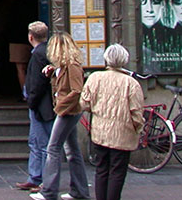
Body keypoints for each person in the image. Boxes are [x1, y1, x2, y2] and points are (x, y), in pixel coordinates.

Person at [29, 31, 90, 200]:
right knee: (72, 151)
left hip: (68, 112)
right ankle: (79, 190)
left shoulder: (73, 66)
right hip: (68, 111)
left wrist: (61, 107)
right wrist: (53, 72)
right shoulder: (64, 66)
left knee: (53, 148)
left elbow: (76, 90)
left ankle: (49, 191)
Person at [80, 44, 143, 200]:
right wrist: (137, 129)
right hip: (123, 134)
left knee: (101, 169)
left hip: (100, 132)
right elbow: (136, 112)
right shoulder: (131, 83)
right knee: (117, 172)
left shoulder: (95, 77)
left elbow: (84, 103)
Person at [16, 21, 53, 193]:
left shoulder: (39, 54)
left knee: (40, 143)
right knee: (37, 142)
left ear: (30, 37)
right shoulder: (45, 51)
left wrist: (31, 100)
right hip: (41, 105)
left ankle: (41, 179)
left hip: (40, 106)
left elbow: (38, 83)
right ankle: (35, 177)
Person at [8, 0, 35, 101]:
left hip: (17, 40)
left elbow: (10, 23)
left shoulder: (15, 5)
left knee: (20, 69)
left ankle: (25, 94)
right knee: (32, 67)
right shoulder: (33, 3)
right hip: (32, 39)